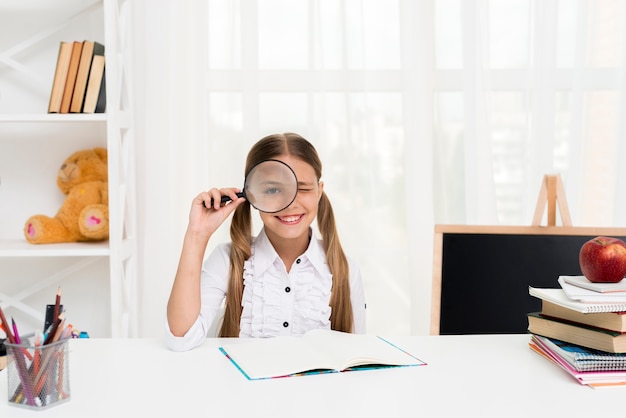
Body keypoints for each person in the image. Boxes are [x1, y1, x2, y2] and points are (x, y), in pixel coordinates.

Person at [166, 132, 366, 351]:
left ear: (319, 192)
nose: (289, 204)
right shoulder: (228, 261)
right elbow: (182, 339)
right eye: (272, 190)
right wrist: (197, 234)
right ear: (252, 195)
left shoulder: (346, 270)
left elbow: (355, 357)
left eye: (303, 189)